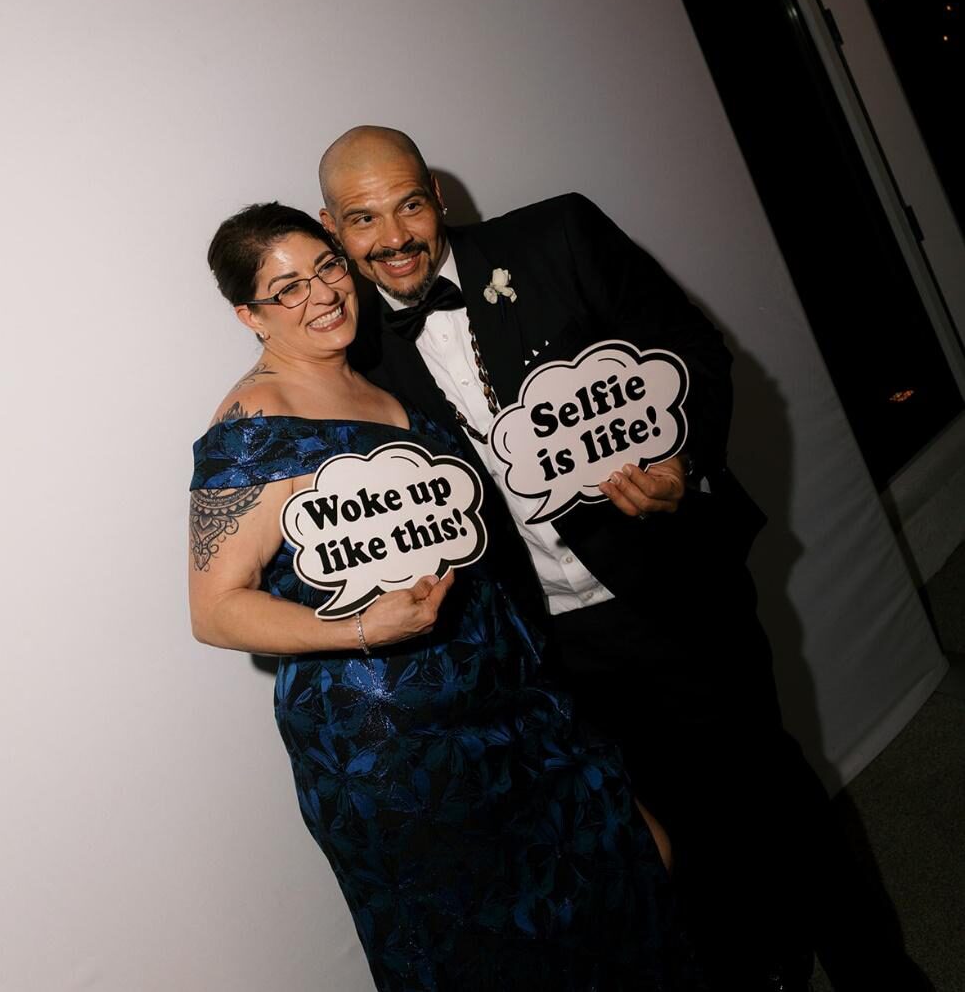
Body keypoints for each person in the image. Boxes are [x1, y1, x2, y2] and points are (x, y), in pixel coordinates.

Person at [318, 126, 933, 992]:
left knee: (772, 797)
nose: (394, 236)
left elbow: (697, 353)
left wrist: (684, 461)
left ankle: (878, 975)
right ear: (333, 226)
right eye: (364, 217)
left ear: (439, 196)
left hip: (666, 587)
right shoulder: (350, 356)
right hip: (549, 646)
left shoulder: (558, 236)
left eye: (409, 204)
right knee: (668, 836)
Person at [188, 201, 707, 992]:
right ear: (248, 315)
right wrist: (363, 625)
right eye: (285, 288)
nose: (321, 293)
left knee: (629, 863)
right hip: (393, 740)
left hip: (511, 695)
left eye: (326, 266)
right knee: (490, 957)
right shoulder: (254, 423)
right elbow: (215, 607)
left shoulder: (380, 387)